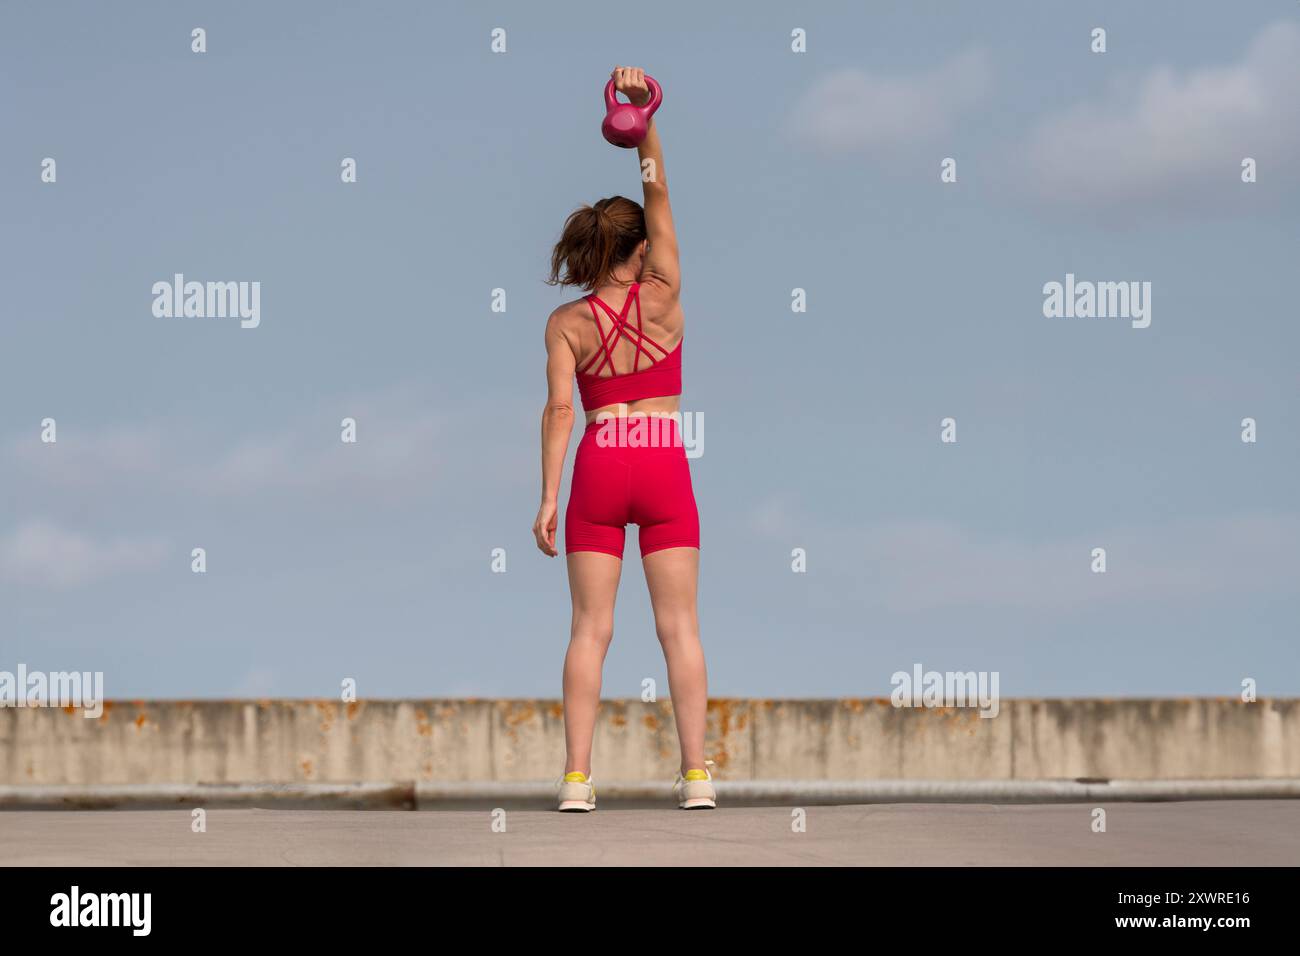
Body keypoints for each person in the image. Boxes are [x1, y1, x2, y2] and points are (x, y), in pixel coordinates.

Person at [533, 66, 715, 811]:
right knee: (680, 629)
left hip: (601, 464)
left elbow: (558, 413)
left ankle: (578, 780)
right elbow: (661, 193)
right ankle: (697, 777)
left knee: (589, 629)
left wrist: (547, 499)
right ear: (640, 250)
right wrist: (644, 126)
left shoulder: (566, 324)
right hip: (664, 459)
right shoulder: (665, 294)